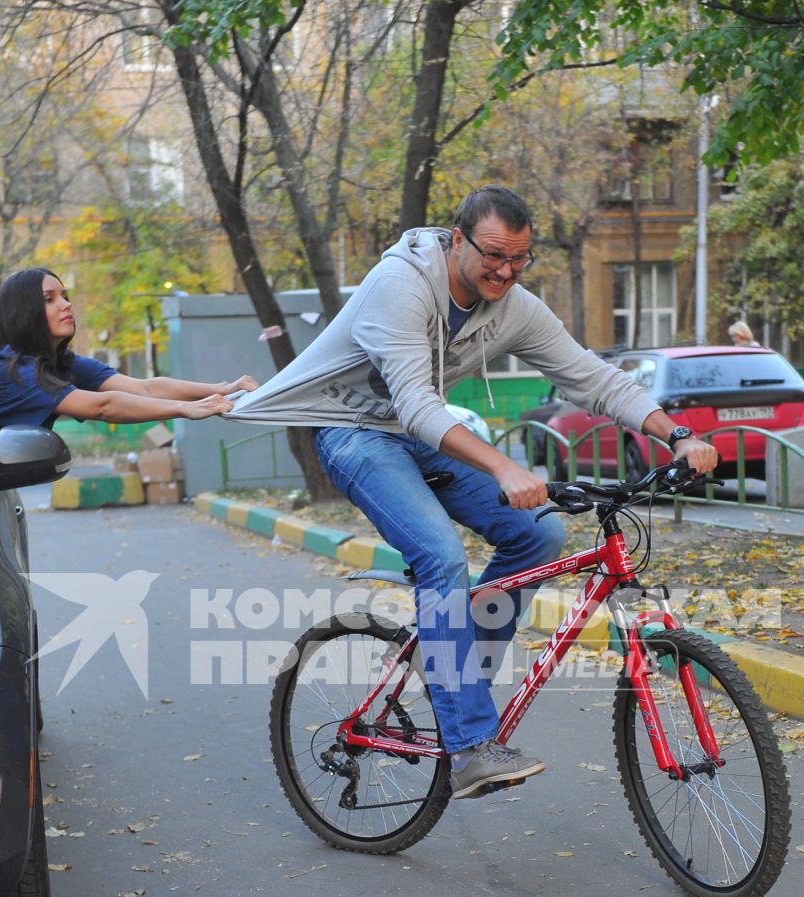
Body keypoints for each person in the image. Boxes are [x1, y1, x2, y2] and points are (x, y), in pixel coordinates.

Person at [224, 185, 719, 799]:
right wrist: (506, 470)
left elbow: (592, 379)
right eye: (493, 255)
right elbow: (413, 402)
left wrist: (677, 434)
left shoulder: (513, 304)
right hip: (355, 432)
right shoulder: (399, 286)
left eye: (519, 259)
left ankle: (457, 687)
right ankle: (469, 744)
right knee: (441, 556)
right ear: (457, 239)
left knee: (539, 533)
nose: (506, 272)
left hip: (422, 433)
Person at [0, 267, 254, 457]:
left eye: (65, 296)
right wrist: (185, 409)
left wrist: (224, 389)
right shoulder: (7, 370)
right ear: (22, 312)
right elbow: (102, 407)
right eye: (49, 299)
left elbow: (144, 388)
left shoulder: (59, 363)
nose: (66, 304)